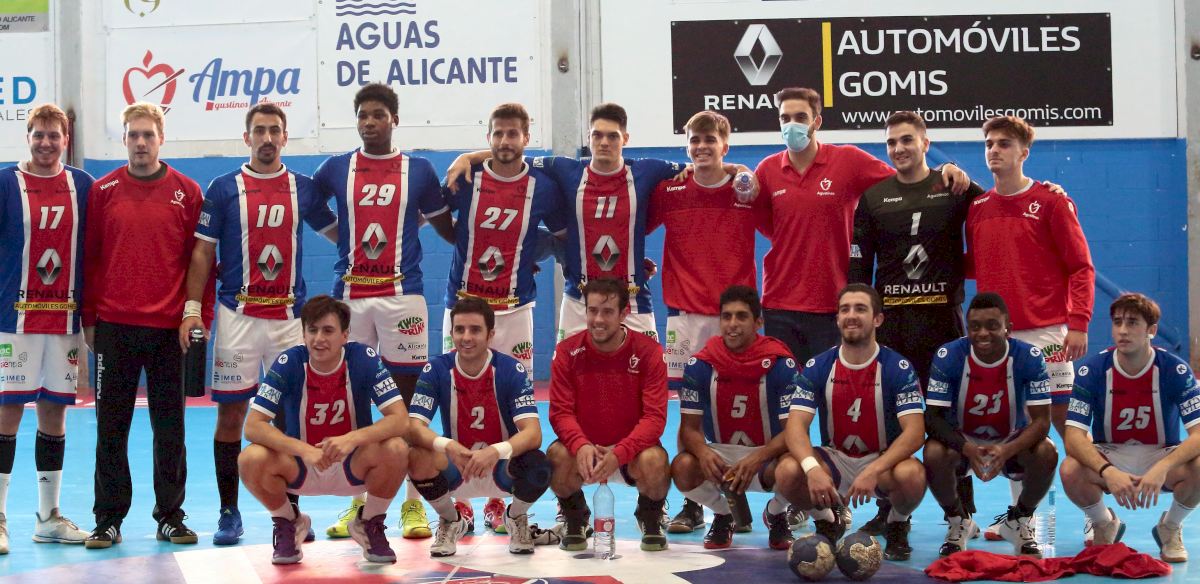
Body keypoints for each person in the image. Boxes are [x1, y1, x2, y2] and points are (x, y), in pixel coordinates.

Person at [178, 102, 338, 545]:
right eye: (259, 130)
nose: (267, 138)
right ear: (246, 137)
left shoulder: (303, 188)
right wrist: (192, 309)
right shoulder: (223, 188)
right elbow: (203, 253)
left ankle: (291, 513)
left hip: (289, 320)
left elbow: (339, 234)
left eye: (274, 131)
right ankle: (229, 512)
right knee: (231, 415)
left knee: (289, 417)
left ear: (285, 137)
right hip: (238, 317)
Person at [313, 83, 454, 540]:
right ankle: (359, 502)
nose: (369, 122)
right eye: (362, 115)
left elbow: (446, 225)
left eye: (378, 114)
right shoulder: (336, 168)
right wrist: (341, 236)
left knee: (409, 407)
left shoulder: (420, 169)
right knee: (355, 399)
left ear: (394, 119)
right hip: (350, 298)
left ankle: (414, 505)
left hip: (403, 298)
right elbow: (308, 205)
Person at [447, 102, 699, 342]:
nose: (604, 142)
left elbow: (701, 168)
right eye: (597, 135)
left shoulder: (648, 170)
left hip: (633, 301)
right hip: (579, 301)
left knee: (645, 370)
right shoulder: (564, 169)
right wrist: (468, 157)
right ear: (588, 138)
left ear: (625, 138)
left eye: (612, 136)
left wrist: (724, 171)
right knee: (569, 370)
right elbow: (512, 155)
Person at [755, 89, 969, 366]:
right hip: (779, 304)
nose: (791, 124)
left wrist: (946, 169)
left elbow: (909, 180)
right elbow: (767, 225)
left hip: (835, 305)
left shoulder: (848, 160)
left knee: (833, 389)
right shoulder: (767, 170)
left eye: (800, 117)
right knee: (786, 391)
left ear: (816, 121)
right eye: (785, 118)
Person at [848, 110, 986, 534]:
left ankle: (961, 509)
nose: (898, 149)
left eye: (907, 140)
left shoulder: (955, 188)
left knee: (948, 416)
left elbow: (999, 207)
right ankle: (893, 512)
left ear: (926, 143)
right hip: (893, 328)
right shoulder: (873, 198)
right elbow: (859, 267)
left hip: (943, 324)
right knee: (891, 418)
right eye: (891, 142)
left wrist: (961, 172)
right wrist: (861, 316)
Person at [82, 102, 205, 548]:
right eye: (133, 135)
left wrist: (196, 315)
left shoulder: (187, 192)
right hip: (114, 327)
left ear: (161, 138)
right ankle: (108, 519)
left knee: (170, 428)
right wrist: (89, 318)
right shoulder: (104, 190)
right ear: (124, 140)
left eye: (148, 135)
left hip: (169, 330)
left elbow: (200, 262)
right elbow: (90, 258)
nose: (140, 142)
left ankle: (170, 515)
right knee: (110, 429)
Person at [966, 114, 1094, 538]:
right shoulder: (977, 209)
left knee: (1066, 429)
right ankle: (1022, 520)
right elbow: (976, 265)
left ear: (1024, 152)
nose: (994, 150)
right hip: (996, 340)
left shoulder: (1053, 202)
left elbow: (1081, 267)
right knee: (1014, 428)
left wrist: (1078, 322)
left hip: (1047, 335)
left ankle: (1098, 518)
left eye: (1004, 144)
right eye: (989, 144)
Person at [439, 102, 564, 535]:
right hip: (464, 305)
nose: (505, 141)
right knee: (456, 399)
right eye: (498, 133)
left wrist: (530, 255)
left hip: (515, 309)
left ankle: (499, 498)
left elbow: (562, 238)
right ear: (488, 136)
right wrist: (466, 157)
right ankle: (460, 500)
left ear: (526, 137)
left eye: (513, 133)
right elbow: (442, 223)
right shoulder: (466, 178)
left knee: (512, 403)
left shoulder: (544, 187)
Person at [645, 111, 766, 535]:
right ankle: (694, 503)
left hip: (734, 320)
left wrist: (743, 171)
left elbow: (785, 225)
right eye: (695, 140)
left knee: (741, 410)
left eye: (710, 140)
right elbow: (630, 225)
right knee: (690, 413)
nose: (701, 147)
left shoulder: (746, 190)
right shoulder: (670, 190)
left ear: (725, 146)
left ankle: (748, 494)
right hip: (684, 320)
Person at [239, 295, 410, 564]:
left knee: (397, 448)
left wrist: (352, 439)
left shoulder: (363, 359)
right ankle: (288, 522)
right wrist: (303, 450)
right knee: (251, 458)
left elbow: (400, 419)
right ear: (303, 334)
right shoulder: (288, 362)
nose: (319, 339)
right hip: (303, 467)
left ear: (345, 335)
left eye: (328, 331)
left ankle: (369, 523)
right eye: (313, 330)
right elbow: (253, 426)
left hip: (353, 465)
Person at [0, 103, 94, 554]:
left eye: (53, 135)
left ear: (65, 140)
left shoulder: (83, 185)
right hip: (12, 321)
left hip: (64, 321)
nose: (45, 142)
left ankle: (48, 517)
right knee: (8, 412)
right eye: (38, 134)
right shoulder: (5, 183)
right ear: (28, 138)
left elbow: (95, 251)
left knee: (54, 412)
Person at [774, 284, 926, 561]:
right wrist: (812, 469)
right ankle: (827, 521)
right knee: (787, 470)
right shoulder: (819, 366)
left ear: (877, 319)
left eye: (860, 309)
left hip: (881, 461)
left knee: (913, 475)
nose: (851, 316)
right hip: (835, 459)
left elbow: (915, 432)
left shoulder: (897, 367)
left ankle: (897, 522)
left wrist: (875, 469)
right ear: (837, 319)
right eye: (845, 310)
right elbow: (795, 427)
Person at [1061, 293, 1200, 563]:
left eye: (1133, 323)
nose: (1123, 330)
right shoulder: (1092, 370)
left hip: (1161, 453)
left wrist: (1162, 468)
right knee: (1070, 469)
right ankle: (1104, 524)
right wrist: (1108, 471)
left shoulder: (1175, 370)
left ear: (1152, 330)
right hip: (1111, 453)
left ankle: (1170, 527)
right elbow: (1073, 436)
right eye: (1117, 322)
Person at [407, 297, 550, 557]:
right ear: (451, 333)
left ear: (490, 334)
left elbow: (533, 433)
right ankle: (451, 520)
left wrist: (495, 451)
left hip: (501, 470)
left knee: (539, 464)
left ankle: (515, 517)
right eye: (459, 329)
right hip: (458, 468)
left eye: (475, 330)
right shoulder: (436, 369)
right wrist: (448, 446)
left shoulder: (510, 369)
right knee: (416, 456)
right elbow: (414, 427)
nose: (466, 337)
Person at [923, 292, 1057, 557]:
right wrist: (967, 448)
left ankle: (1018, 520)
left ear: (1008, 328)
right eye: (975, 327)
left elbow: (1042, 421)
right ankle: (958, 522)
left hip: (1010, 442)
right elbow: (932, 418)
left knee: (1047, 452)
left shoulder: (1029, 356)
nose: (982, 333)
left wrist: (1006, 450)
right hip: (964, 442)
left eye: (992, 326)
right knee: (934, 452)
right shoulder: (949, 355)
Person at [548, 278, 670, 551]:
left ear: (624, 314)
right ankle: (575, 518)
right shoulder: (567, 352)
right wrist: (580, 445)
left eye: (607, 312)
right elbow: (560, 412)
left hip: (631, 453)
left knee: (655, 461)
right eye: (592, 311)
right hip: (586, 452)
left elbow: (654, 419)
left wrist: (621, 452)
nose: (598, 320)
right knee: (556, 457)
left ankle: (649, 517)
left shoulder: (648, 352)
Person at [671, 286, 796, 550]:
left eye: (741, 316)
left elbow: (793, 431)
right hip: (721, 457)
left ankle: (776, 513)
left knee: (795, 469)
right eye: (726, 316)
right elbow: (689, 428)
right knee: (682, 466)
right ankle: (723, 514)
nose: (732, 324)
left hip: (768, 456)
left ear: (758, 322)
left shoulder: (780, 364)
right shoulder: (701, 365)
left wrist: (758, 457)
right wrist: (704, 453)